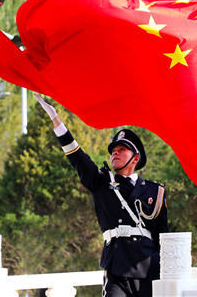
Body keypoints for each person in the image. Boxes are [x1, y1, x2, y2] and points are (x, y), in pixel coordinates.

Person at [35, 94, 168, 297]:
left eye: (121, 150)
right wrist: (56, 121)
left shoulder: (155, 191)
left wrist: (167, 273)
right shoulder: (102, 183)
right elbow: (77, 157)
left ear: (135, 158)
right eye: (113, 150)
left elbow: (163, 237)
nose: (114, 153)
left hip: (148, 268)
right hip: (116, 268)